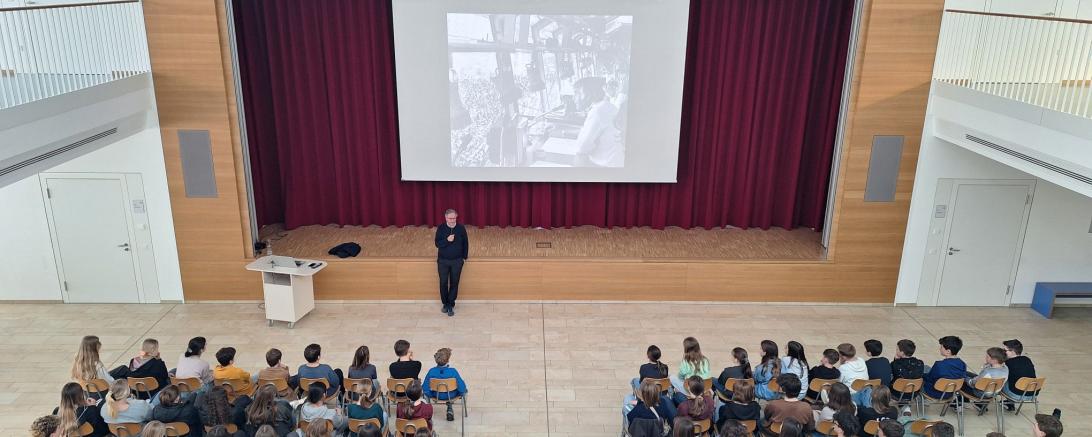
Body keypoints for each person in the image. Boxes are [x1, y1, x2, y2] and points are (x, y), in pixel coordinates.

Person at [571, 76, 623, 167]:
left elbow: (581, 148)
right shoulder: (607, 106)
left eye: (577, 93)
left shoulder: (598, 111)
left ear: (589, 94)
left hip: (607, 168)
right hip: (616, 163)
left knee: (577, 161)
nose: (573, 98)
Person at [435, 208, 469, 316]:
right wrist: (447, 240)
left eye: (454, 218)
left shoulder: (461, 228)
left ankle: (450, 304)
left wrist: (464, 258)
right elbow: (437, 243)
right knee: (443, 283)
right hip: (443, 261)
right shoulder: (441, 228)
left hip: (457, 261)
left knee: (454, 283)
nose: (452, 220)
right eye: (450, 218)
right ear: (446, 218)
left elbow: (466, 243)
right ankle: (445, 303)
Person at [422, 347, 468, 422]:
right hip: (451, 395)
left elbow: (425, 388)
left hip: (436, 395)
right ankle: (450, 406)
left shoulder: (432, 371)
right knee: (465, 390)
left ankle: (428, 414)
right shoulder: (453, 371)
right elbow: (462, 388)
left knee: (425, 394)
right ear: (448, 360)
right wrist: (461, 392)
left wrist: (430, 394)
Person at [963, 347, 1009, 411]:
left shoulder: (988, 372)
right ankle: (980, 405)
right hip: (994, 392)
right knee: (968, 374)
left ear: (994, 360)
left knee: (961, 379)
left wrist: (966, 379)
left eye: (987, 357)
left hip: (980, 393)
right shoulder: (1005, 368)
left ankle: (962, 402)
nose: (985, 358)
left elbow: (973, 383)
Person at [1001, 339, 1037, 409]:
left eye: (1005, 350)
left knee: (997, 380)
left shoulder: (1007, 363)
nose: (1002, 352)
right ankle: (1010, 404)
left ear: (1013, 351)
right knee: (1015, 379)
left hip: (1016, 394)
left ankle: (982, 401)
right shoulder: (1027, 359)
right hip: (1032, 394)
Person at [890, 339, 924, 415]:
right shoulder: (920, 363)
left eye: (897, 349)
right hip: (913, 393)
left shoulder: (895, 364)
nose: (896, 350)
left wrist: (895, 360)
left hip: (896, 393)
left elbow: (894, 371)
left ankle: (903, 406)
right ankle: (906, 408)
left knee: (891, 378)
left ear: (901, 353)